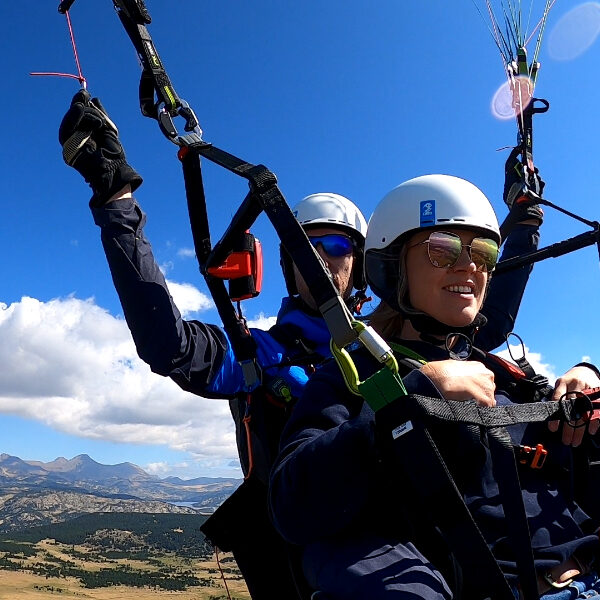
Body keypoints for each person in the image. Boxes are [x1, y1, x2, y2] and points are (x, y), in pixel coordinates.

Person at [59, 89, 541, 599]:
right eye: (308, 248)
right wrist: (115, 200)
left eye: (337, 247)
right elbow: (168, 345)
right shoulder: (262, 355)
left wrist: (524, 221)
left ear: (362, 264)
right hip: (332, 544)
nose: (324, 259)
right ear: (289, 265)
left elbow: (483, 315)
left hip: (433, 535)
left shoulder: (398, 341)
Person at [269, 174, 600, 600]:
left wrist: (585, 386)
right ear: (394, 265)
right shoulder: (359, 374)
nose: (469, 266)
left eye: (482, 251)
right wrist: (415, 394)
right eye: (442, 249)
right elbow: (292, 505)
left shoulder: (506, 373)